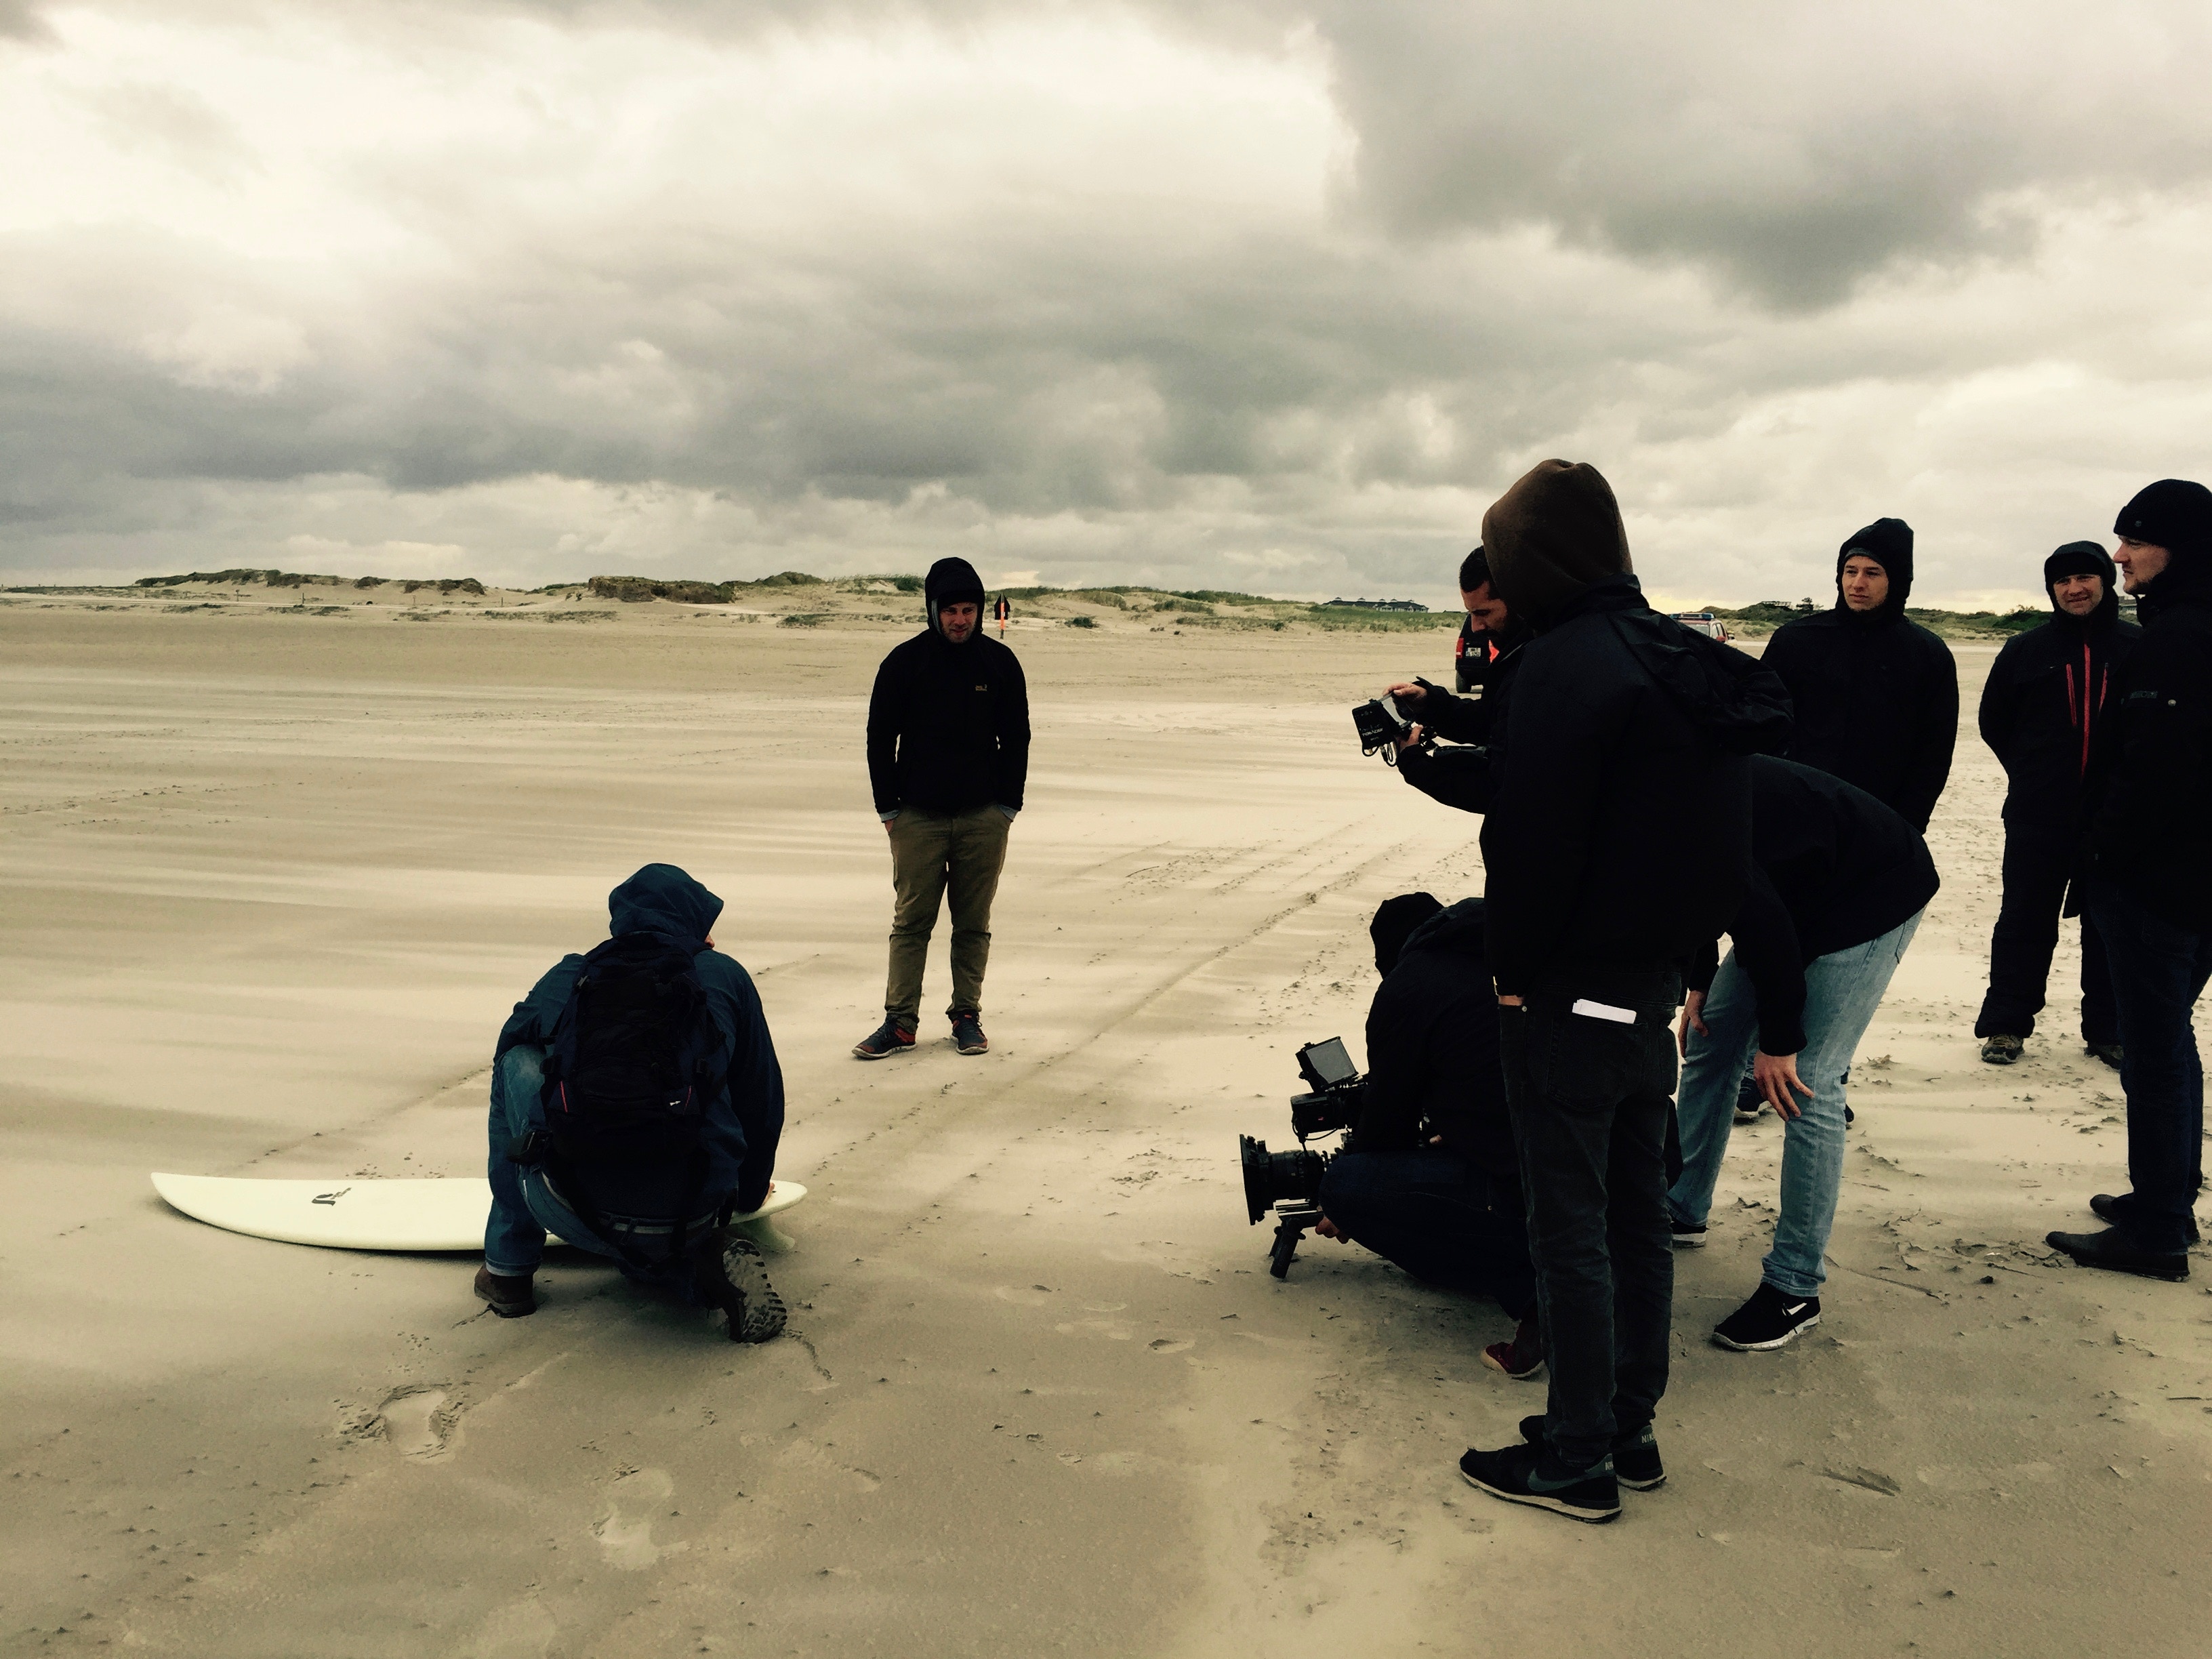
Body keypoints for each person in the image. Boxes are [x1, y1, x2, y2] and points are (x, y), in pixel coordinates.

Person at [1456, 459, 1791, 1525]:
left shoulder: (1562, 668)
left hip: (1573, 992)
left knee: (1572, 1228)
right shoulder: (1680, 659)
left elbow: (1530, 846)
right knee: (1637, 1218)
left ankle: (1578, 1453)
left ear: (1533, 561)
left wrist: (1514, 977)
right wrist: (1689, 963)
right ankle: (1626, 1425)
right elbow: (1717, 842)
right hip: (1653, 988)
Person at [1667, 758, 1938, 1349]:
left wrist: (1778, 1042)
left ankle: (1794, 1289)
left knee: (1807, 1079)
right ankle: (1682, 1207)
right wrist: (1700, 979)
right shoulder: (1642, 800)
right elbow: (1701, 895)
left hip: (1875, 887)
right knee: (1712, 1035)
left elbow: (1761, 922)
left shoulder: (1690, 799)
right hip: (1797, 889)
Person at [476, 864, 789, 1343]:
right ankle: (699, 1268)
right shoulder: (725, 975)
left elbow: (512, 1045)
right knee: (661, 1236)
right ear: (694, 924)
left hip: (575, 1211)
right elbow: (761, 1101)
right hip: (695, 1207)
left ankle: (508, 1271)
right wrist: (747, 1196)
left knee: (515, 1060)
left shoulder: (573, 973)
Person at [2048, 480, 2212, 1283]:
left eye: (2135, 541)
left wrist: (2100, 856)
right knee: (2170, 1038)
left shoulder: (2175, 640)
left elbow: (2153, 771)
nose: (2119, 557)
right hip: (2195, 879)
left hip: (2157, 883)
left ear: (2179, 548)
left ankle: (2156, 1231)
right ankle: (2170, 1197)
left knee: (2153, 1051)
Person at [1313, 895, 1540, 1377]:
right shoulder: (1512, 949)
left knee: (1345, 1185)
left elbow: (1386, 1123)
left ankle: (1535, 1299)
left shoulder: (1408, 987)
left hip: (1535, 1186)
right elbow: (1498, 1080)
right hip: (1620, 1165)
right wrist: (1459, 1133)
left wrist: (1346, 1208)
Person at [854, 557, 1031, 1060]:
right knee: (911, 923)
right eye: (950, 610)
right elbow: (879, 738)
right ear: (933, 610)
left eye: (968, 610)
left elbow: (1017, 737)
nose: (960, 620)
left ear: (981, 611)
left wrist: (1008, 807)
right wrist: (888, 809)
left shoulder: (1000, 664)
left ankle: (966, 1016)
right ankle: (899, 1022)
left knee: (972, 923)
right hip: (916, 817)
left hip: (983, 818)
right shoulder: (904, 662)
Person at [1974, 543, 2140, 1067]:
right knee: (2024, 919)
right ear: (2051, 590)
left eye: (2084, 578)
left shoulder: (2139, 646)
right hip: (2038, 813)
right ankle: (2005, 1026)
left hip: (2116, 816)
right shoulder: (2025, 650)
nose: (2074, 589)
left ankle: (2109, 1031)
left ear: (2104, 581)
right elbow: (1994, 721)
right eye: (2063, 581)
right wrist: (2032, 774)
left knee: (2110, 925)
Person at [1761, 518, 1959, 833]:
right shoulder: (1795, 641)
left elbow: (1934, 751)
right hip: (1796, 812)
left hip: (1881, 819)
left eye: (1872, 573)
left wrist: (1908, 824)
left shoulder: (1928, 654)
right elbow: (1765, 725)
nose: (1857, 583)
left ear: (1897, 579)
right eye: (1850, 571)